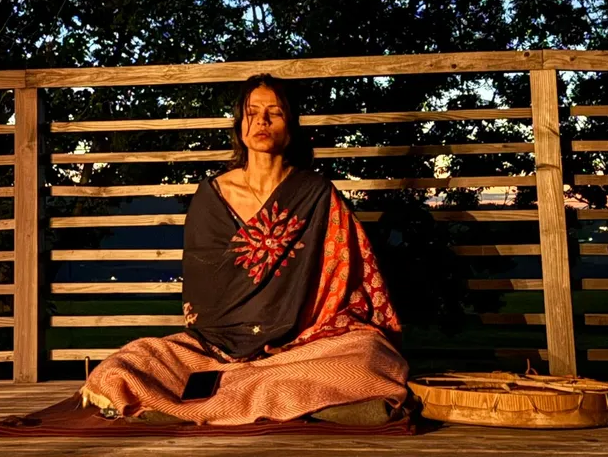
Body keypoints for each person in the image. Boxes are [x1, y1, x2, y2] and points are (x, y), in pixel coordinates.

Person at [79, 74, 410, 426]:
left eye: (274, 113)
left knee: (371, 357)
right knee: (129, 363)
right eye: (252, 112)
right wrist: (240, 346)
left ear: (292, 125)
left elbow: (349, 275)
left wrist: (290, 337)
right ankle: (297, 396)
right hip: (214, 349)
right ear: (239, 124)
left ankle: (196, 402)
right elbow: (204, 295)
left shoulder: (314, 194)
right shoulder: (211, 196)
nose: (262, 121)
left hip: (300, 347)